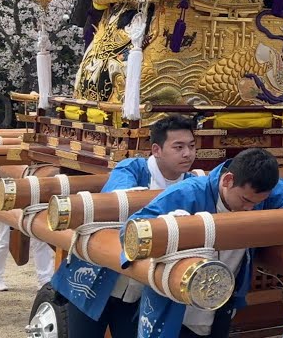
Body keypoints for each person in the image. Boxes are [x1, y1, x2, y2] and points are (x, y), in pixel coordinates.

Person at [122, 148, 283, 338]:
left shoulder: (265, 191)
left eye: (256, 203)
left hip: (221, 302)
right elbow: (131, 231)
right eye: (245, 200)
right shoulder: (187, 193)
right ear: (228, 180)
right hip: (174, 302)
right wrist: (168, 228)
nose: (249, 208)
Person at [54, 115, 198, 338]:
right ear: (157, 150)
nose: (187, 153)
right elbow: (119, 198)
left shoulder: (192, 183)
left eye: (191, 146)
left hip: (140, 290)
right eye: (178, 147)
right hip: (95, 278)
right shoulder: (132, 169)